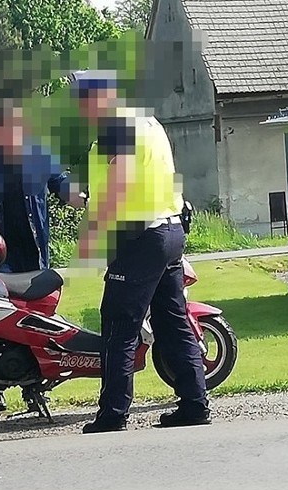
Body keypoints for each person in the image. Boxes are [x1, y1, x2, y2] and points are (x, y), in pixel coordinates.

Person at [67, 70, 211, 434]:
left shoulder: (118, 126)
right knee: (172, 319)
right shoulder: (148, 122)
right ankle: (195, 403)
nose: (78, 108)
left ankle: (113, 413)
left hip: (138, 237)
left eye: (80, 99)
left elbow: (120, 182)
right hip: (168, 227)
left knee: (119, 322)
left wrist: (94, 219)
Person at [0, 99, 86, 413]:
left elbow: (60, 182)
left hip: (33, 254)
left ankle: (35, 384)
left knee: (35, 320)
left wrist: (76, 196)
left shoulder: (39, 154)